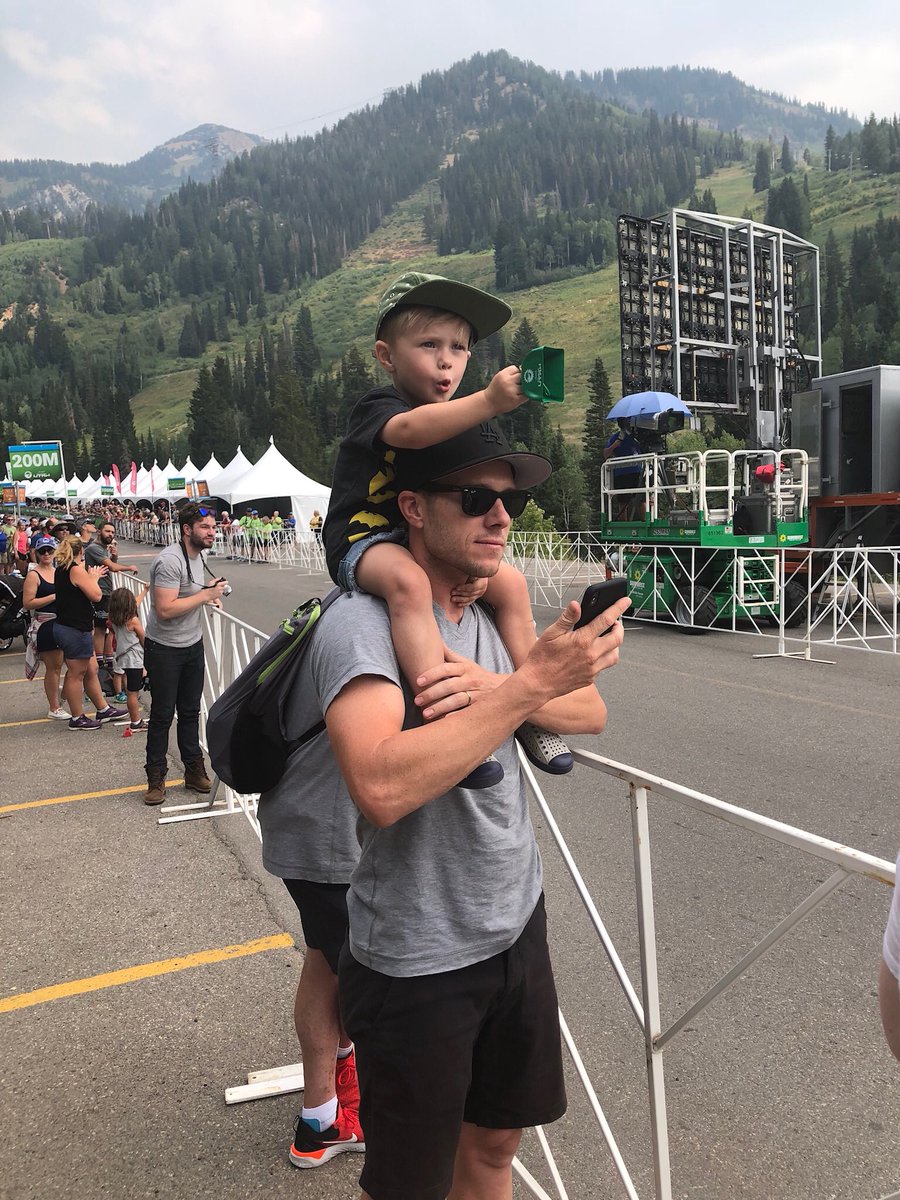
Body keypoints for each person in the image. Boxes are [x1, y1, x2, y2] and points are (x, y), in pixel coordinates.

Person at [259, 419, 630, 1188]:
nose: (500, 517)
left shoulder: (492, 611)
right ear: (415, 510)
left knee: (494, 1150)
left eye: (511, 503)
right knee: (413, 1184)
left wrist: (510, 687)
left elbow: (588, 713)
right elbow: (383, 787)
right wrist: (528, 689)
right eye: (475, 498)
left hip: (516, 924)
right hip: (417, 959)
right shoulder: (360, 626)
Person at [322, 270, 573, 782]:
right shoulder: (384, 406)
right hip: (361, 538)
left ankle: (526, 711)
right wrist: (488, 400)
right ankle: (449, 715)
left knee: (510, 580)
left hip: (410, 537)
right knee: (410, 585)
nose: (446, 360)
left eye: (459, 348)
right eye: (429, 344)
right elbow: (409, 434)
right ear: (386, 356)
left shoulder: (449, 415)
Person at [142, 502, 228, 805]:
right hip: (164, 648)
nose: (211, 532)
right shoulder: (169, 561)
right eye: (205, 527)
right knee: (163, 714)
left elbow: (189, 591)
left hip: (192, 644)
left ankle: (193, 770)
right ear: (186, 529)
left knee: (191, 711)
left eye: (214, 527)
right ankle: (156, 777)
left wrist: (209, 593)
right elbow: (164, 609)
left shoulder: (198, 555)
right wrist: (206, 595)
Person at [52, 536, 127, 731]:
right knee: (76, 673)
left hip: (72, 626)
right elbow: (96, 595)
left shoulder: (62, 569)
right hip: (74, 629)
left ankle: (103, 708)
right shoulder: (75, 570)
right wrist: (93, 578)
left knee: (91, 669)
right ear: (81, 552)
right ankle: (77, 717)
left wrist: (90, 577)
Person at [22, 535, 67, 719]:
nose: (46, 554)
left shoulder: (59, 571)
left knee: (72, 665)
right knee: (54, 667)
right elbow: (28, 603)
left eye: (49, 550)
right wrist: (55, 596)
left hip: (63, 622)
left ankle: (62, 697)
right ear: (37, 553)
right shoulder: (34, 575)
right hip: (46, 624)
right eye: (42, 551)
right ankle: (54, 707)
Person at [85, 520, 140, 660]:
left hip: (106, 591)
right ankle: (99, 660)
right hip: (99, 592)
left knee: (110, 627)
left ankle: (108, 659)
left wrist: (114, 555)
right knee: (101, 628)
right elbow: (113, 567)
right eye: (107, 531)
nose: (110, 534)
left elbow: (111, 565)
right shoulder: (94, 548)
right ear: (99, 532)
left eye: (113, 532)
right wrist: (129, 567)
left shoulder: (103, 548)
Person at [108, 585, 150, 733]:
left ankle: (136, 719)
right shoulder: (133, 621)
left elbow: (135, 603)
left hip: (123, 657)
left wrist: (145, 590)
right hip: (135, 658)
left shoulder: (114, 619)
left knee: (130, 688)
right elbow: (143, 638)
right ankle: (136, 722)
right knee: (133, 693)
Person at [603, 418, 645, 519]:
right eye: (626, 422)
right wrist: (616, 444)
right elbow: (605, 454)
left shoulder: (637, 437)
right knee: (623, 500)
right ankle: (624, 523)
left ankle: (645, 521)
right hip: (622, 472)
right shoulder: (615, 437)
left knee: (641, 498)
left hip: (636, 471)